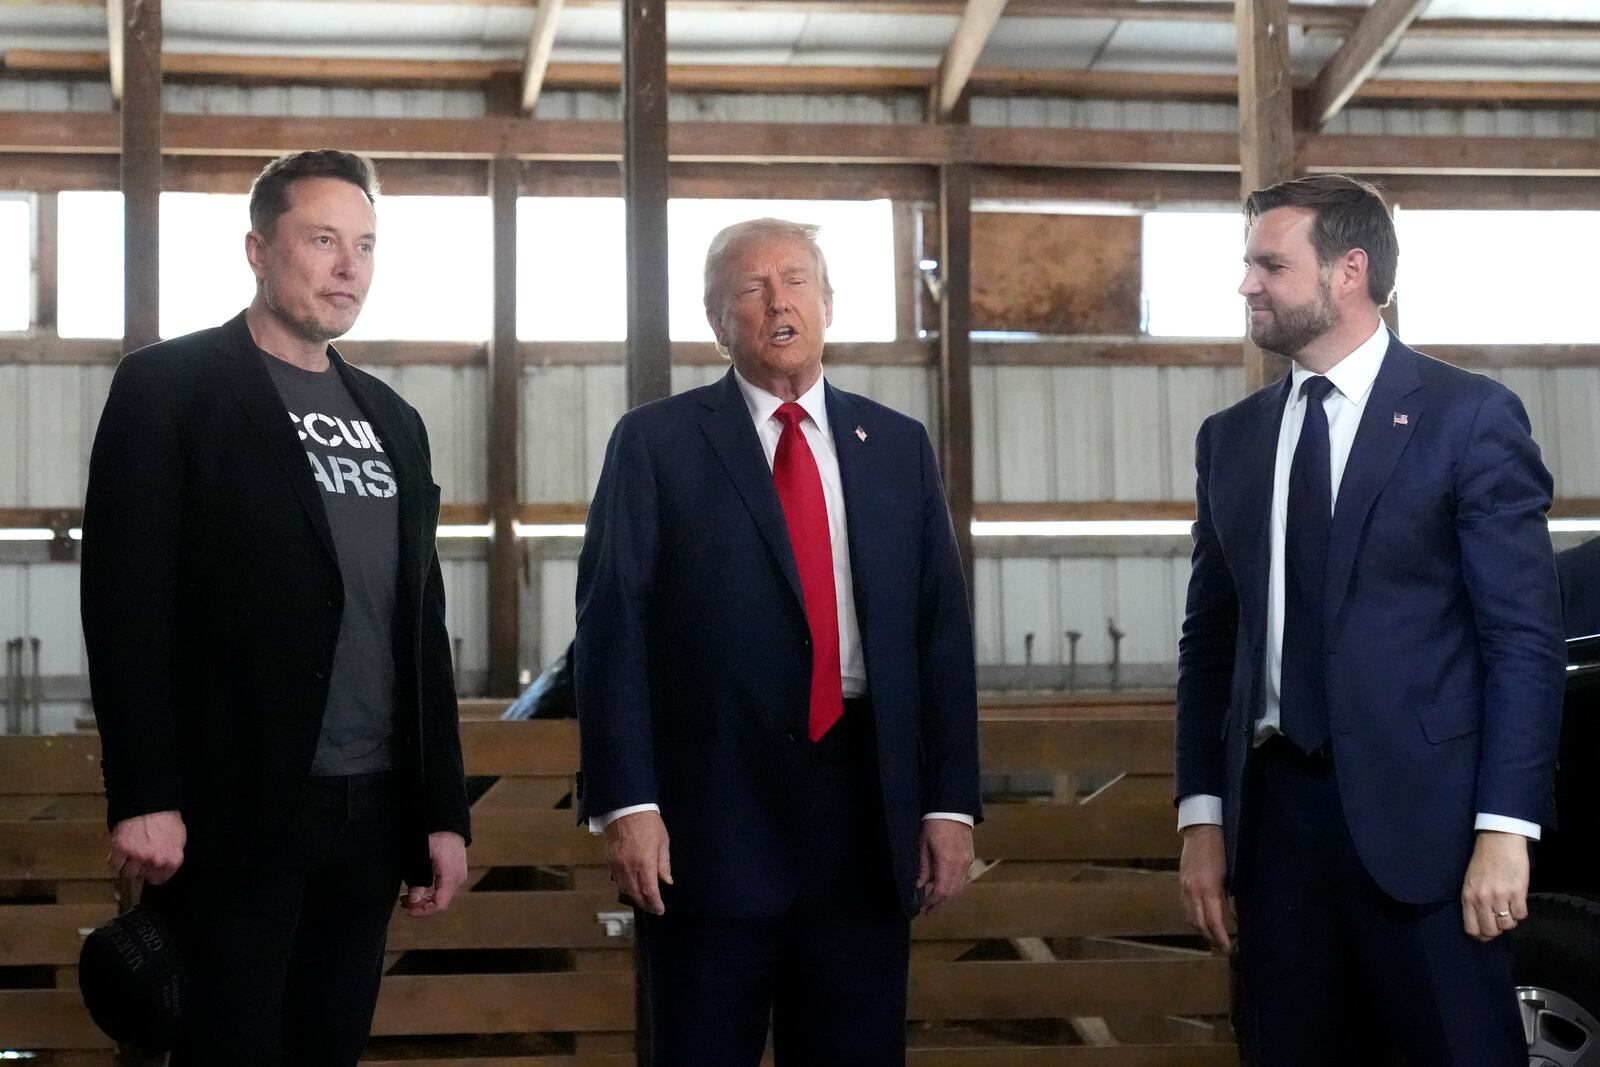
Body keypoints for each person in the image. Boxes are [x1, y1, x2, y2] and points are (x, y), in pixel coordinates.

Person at [80, 149, 471, 1065]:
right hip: (232, 806)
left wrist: (441, 808)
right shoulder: (169, 388)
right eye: (323, 239)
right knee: (228, 1047)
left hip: (370, 810)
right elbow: (124, 600)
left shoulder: (393, 419)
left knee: (327, 1048)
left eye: (366, 245)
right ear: (258, 249)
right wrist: (144, 793)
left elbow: (420, 626)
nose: (349, 267)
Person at [1174, 173, 1565, 1065]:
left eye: (1269, 264)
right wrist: (1202, 816)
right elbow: (1210, 646)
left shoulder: (1468, 419)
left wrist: (1507, 830)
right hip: (1274, 835)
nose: (1247, 285)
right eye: (1247, 265)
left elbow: (1523, 642)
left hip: (1430, 839)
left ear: (1349, 271)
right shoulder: (1230, 440)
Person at [574, 217, 981, 1066]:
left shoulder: (895, 446)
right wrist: (628, 802)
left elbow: (939, 632)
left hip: (866, 814)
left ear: (828, 303)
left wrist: (948, 802)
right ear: (717, 319)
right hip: (708, 816)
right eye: (750, 288)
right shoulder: (656, 444)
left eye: (795, 280)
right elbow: (612, 629)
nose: (777, 301)